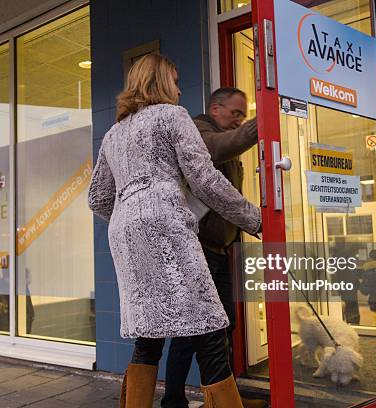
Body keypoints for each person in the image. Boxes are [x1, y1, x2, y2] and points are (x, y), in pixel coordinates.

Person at [87, 54, 261, 408]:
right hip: (166, 226)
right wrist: (256, 219)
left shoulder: (113, 134)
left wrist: (130, 215)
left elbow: (97, 198)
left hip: (124, 236)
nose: (180, 89)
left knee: (148, 333)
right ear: (162, 81)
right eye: (176, 80)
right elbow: (206, 180)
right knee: (209, 328)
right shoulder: (172, 116)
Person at [162, 88, 266, 408]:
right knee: (191, 330)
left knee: (224, 325)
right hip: (198, 248)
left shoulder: (223, 135)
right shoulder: (198, 131)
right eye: (236, 113)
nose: (239, 120)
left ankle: (222, 397)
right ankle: (174, 401)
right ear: (216, 109)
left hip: (222, 249)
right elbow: (220, 148)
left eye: (244, 115)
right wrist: (264, 121)